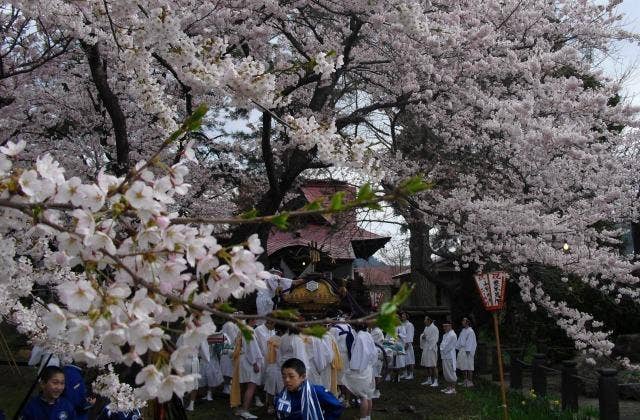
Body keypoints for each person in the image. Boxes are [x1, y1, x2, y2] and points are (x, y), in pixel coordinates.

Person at [275, 358, 344, 420]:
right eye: (284, 377)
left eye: (291, 376)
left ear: (303, 377)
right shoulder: (281, 398)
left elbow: (336, 407)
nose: (287, 380)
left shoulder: (316, 392)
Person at [342, 325, 378, 420]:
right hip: (369, 368)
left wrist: (353, 368)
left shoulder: (359, 337)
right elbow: (374, 352)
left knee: (363, 397)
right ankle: (367, 417)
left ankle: (362, 418)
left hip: (361, 369)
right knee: (369, 396)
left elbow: (357, 355)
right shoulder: (368, 335)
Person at [231, 321, 264, 419]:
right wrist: (254, 363)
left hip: (242, 359)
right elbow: (251, 348)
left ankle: (241, 408)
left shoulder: (241, 330)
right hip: (249, 361)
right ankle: (245, 410)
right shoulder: (248, 330)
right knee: (251, 386)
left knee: (244, 386)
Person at [456, 317, 477, 387]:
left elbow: (470, 342)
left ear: (467, 322)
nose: (462, 322)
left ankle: (470, 382)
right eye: (462, 321)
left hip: (468, 351)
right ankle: (465, 380)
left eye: (463, 321)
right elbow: (459, 339)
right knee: (463, 366)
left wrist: (468, 351)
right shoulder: (463, 330)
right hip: (462, 350)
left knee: (469, 366)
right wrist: (457, 347)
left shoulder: (470, 331)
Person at [419, 316, 440, 387]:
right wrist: (422, 336)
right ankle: (429, 379)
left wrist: (426, 337)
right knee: (427, 365)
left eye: (425, 320)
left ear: (429, 321)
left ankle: (436, 381)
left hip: (431, 348)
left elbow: (435, 339)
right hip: (426, 348)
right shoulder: (426, 328)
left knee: (433, 365)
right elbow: (423, 336)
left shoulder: (434, 328)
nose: (424, 321)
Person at [439, 322, 458, 395]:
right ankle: (449, 387)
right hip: (444, 356)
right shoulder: (445, 335)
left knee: (451, 371)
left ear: (450, 326)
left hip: (450, 356)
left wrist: (443, 349)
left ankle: (453, 388)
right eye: (443, 327)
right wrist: (442, 349)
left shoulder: (453, 335)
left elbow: (449, 346)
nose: (444, 328)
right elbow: (442, 345)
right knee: (446, 372)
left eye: (446, 326)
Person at [399, 312, 415, 380]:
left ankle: (411, 374)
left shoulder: (409, 325)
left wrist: (407, 343)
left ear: (407, 316)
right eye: (402, 315)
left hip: (407, 344)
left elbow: (410, 334)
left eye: (404, 315)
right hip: (402, 343)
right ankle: (405, 373)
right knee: (404, 359)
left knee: (410, 359)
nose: (402, 316)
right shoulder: (401, 324)